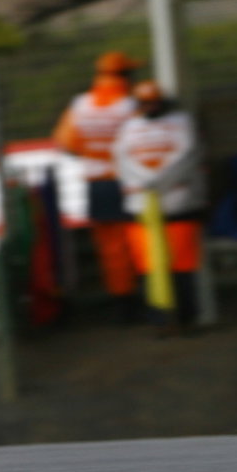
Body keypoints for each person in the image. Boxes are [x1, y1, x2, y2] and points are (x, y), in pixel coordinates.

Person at [52, 50, 142, 318]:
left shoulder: (80, 105)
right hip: (129, 183)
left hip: (96, 185)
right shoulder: (131, 105)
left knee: (110, 249)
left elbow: (66, 142)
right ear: (125, 76)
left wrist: (93, 152)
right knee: (138, 242)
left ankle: (122, 304)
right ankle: (149, 299)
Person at [113, 80, 207, 331]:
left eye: (153, 101)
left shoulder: (183, 122)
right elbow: (122, 161)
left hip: (180, 207)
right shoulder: (128, 128)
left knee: (182, 268)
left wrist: (158, 183)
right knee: (148, 268)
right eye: (144, 102)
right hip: (141, 209)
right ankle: (158, 321)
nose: (149, 106)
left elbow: (189, 155)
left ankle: (186, 319)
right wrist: (149, 184)